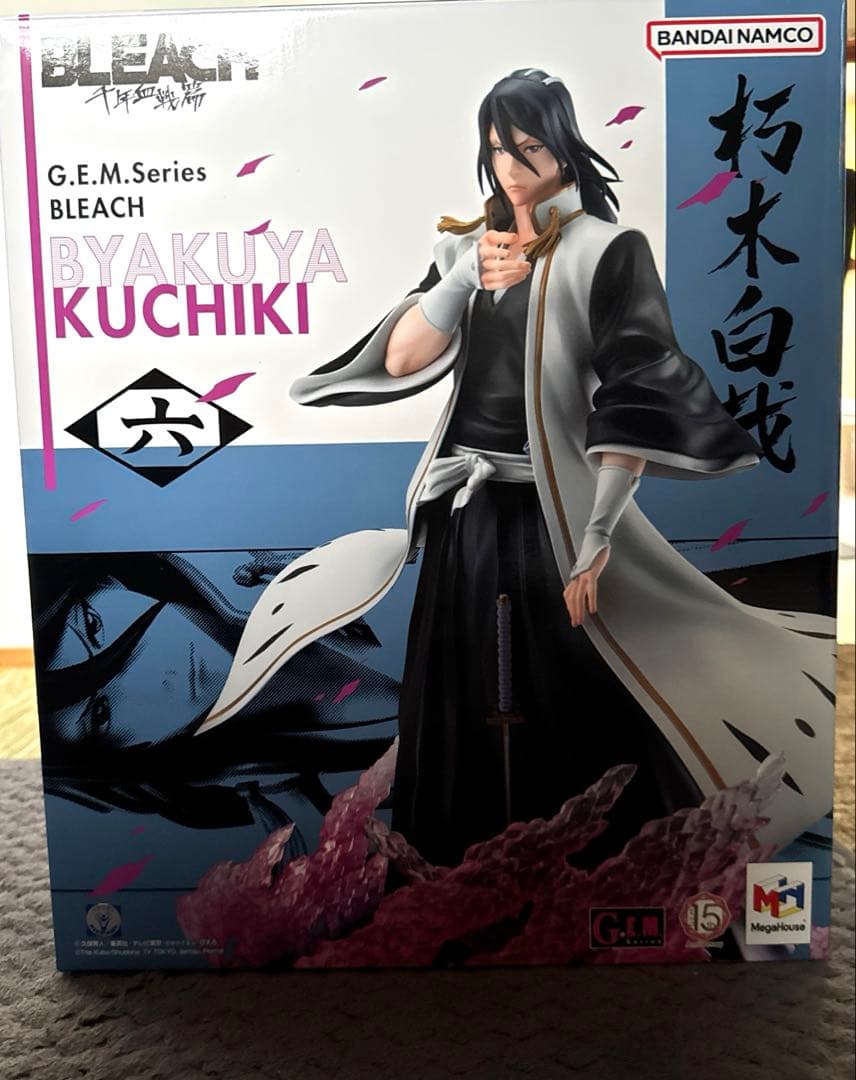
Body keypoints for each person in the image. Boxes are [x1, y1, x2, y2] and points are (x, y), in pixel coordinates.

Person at [202, 69, 835, 866]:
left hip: (554, 514)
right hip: (465, 510)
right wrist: (461, 278)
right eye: (498, 148)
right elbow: (400, 358)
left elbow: (633, 398)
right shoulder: (466, 249)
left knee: (576, 692)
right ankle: (449, 873)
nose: (510, 166)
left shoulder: (605, 250)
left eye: (528, 146)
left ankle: (592, 875)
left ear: (563, 147)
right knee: (456, 695)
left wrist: (598, 535)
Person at [32, 550, 399, 841]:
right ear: (122, 753)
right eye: (101, 713)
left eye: (92, 625)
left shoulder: (262, 559)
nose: (154, 673)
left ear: (111, 580)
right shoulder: (252, 795)